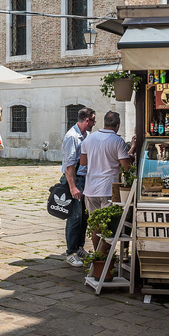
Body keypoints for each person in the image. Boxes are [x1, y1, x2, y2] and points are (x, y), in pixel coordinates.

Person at [80, 110, 133, 214]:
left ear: (104, 123)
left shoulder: (88, 139)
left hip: (91, 188)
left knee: (95, 223)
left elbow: (83, 162)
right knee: (108, 225)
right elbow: (126, 167)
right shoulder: (118, 141)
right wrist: (130, 159)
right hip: (108, 188)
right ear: (117, 126)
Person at [62, 107, 95, 267]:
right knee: (74, 217)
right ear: (87, 120)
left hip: (85, 179)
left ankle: (79, 247)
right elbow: (69, 165)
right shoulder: (72, 137)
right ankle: (70, 252)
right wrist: (73, 187)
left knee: (84, 216)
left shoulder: (86, 136)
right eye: (93, 120)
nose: (94, 124)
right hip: (75, 179)